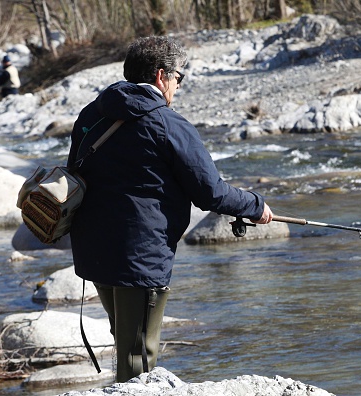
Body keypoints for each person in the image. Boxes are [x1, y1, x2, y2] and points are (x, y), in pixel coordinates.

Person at [66, 36, 273, 382]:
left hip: (94, 251)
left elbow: (77, 170)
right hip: (140, 257)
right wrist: (256, 205)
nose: (179, 85)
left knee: (126, 343)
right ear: (162, 76)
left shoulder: (92, 114)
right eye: (180, 77)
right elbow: (210, 194)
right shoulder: (168, 125)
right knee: (137, 361)